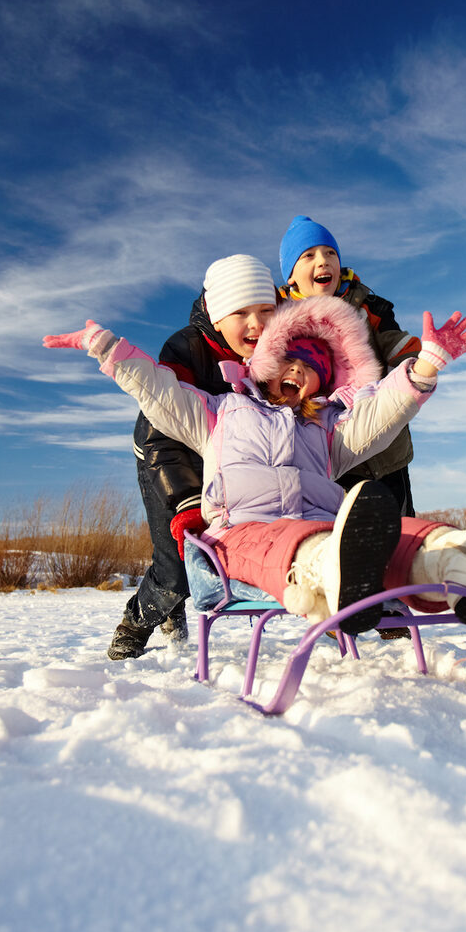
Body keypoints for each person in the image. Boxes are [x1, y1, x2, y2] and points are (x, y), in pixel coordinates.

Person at [44, 294, 466, 636]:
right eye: (290, 360)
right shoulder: (219, 412)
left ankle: (463, 562)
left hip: (327, 529)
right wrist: (106, 348)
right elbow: (158, 391)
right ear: (266, 362)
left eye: (313, 369)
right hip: (240, 536)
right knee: (302, 544)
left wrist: (424, 366)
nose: (299, 372)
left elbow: (382, 413)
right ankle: (333, 572)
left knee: (399, 533)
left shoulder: (328, 429)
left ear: (325, 384)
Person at [105, 254, 279, 660]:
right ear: (217, 317)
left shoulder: (280, 350)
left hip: (231, 463)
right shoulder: (186, 349)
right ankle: (139, 619)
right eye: (242, 313)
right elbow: (163, 431)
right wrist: (186, 501)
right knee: (177, 567)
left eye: (267, 310)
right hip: (167, 453)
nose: (257, 324)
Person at [279, 215, 422, 515]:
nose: (323, 261)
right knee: (350, 539)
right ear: (291, 275)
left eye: (330, 253)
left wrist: (414, 362)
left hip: (386, 451)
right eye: (309, 255)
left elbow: (396, 347)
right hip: (331, 455)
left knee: (403, 532)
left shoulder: (366, 307)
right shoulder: (282, 321)